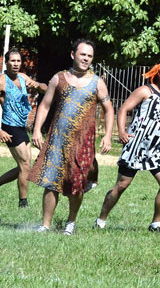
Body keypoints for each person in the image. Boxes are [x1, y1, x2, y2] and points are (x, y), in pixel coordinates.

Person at [29, 38, 114, 235]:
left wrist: (108, 136)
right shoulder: (58, 78)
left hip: (83, 143)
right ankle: (45, 224)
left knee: (76, 183)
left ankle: (71, 222)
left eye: (89, 56)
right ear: (73, 54)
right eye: (83, 54)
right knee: (51, 182)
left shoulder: (97, 83)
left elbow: (109, 109)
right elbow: (45, 105)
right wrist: (36, 130)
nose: (86, 58)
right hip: (57, 139)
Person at [94, 58, 160, 233]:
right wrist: (121, 131)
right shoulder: (145, 90)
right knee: (121, 185)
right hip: (136, 146)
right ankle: (101, 219)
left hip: (157, 148)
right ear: (157, 72)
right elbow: (124, 109)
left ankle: (156, 224)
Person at [0, 48, 47, 207]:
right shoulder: (2, 81)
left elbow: (46, 89)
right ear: (6, 63)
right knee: (26, 164)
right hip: (9, 126)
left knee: (25, 165)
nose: (15, 64)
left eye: (18, 61)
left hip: (21, 127)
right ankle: (23, 202)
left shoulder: (23, 77)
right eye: (12, 61)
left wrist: (37, 85)